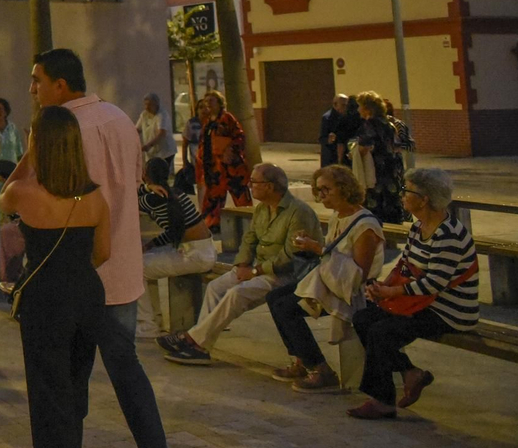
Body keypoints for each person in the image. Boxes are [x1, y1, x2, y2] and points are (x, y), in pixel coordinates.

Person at [7, 49, 175, 448]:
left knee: (65, 378)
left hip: (73, 274)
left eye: (37, 80)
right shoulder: (120, 119)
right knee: (125, 373)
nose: (32, 89)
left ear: (61, 85)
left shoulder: (60, 132)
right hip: (119, 264)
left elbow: (31, 194)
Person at [0, 105, 112, 448]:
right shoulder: (94, 197)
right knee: (74, 391)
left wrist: (28, 158)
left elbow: (1, 199)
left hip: (46, 298)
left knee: (48, 397)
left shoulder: (24, 192)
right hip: (86, 294)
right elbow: (103, 253)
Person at [158, 163, 321, 365]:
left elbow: (290, 255)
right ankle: (200, 346)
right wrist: (242, 264)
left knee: (236, 294)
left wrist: (255, 271)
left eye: (254, 182)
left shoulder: (298, 212)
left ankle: (194, 340)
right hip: (258, 269)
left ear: (270, 186)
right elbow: (249, 238)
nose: (249, 185)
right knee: (216, 287)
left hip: (284, 275)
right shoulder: (262, 208)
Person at [348, 167, 478, 419]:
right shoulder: (418, 228)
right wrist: (382, 287)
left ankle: (382, 401)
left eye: (407, 191)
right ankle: (410, 373)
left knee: (381, 332)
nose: (402, 196)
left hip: (449, 311)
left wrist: (392, 291)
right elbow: (403, 265)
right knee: (363, 319)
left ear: (425, 198)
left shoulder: (447, 234)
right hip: (422, 303)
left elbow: (435, 283)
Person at [267, 164, 385, 391]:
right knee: (274, 297)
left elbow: (359, 272)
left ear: (344, 188)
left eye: (326, 190)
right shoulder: (337, 216)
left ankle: (320, 369)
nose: (321, 196)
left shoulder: (366, 226)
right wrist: (310, 243)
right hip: (331, 281)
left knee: (286, 307)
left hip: (351, 290)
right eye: (318, 190)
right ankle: (301, 360)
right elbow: (333, 251)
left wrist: (317, 248)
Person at [136, 156, 216, 339]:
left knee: (136, 268)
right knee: (145, 263)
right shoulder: (175, 193)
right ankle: (154, 319)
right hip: (202, 250)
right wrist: (151, 245)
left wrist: (147, 188)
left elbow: (126, 199)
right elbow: (176, 232)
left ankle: (147, 324)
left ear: (146, 175)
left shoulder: (152, 199)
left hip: (195, 255)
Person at [196, 91, 251, 227]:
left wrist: (230, 150)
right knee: (213, 199)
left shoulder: (227, 118)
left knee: (240, 197)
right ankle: (213, 224)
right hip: (214, 168)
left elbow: (240, 137)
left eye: (211, 101)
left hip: (231, 168)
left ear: (219, 103)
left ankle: (250, 223)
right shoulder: (207, 122)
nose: (208, 104)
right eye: (206, 101)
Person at [352, 91, 407, 224]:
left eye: (360, 106)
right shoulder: (389, 124)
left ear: (367, 108)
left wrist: (353, 150)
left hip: (377, 174)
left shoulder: (369, 125)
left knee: (375, 212)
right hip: (392, 173)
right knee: (391, 207)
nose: (358, 109)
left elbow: (364, 147)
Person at [319, 93, 361, 169]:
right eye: (343, 105)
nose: (345, 108)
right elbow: (322, 138)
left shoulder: (349, 117)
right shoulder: (328, 118)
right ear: (335, 105)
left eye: (346, 105)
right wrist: (329, 139)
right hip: (331, 156)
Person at [0, 97, 24, 171]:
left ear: (6, 111)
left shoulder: (13, 128)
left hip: (11, 171)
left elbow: (19, 153)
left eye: (0, 109)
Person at [137, 93, 172, 162]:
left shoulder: (162, 114)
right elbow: (137, 130)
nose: (147, 107)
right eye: (145, 104)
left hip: (164, 152)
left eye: (149, 105)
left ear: (156, 104)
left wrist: (148, 145)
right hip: (151, 153)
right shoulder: (144, 114)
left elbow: (162, 133)